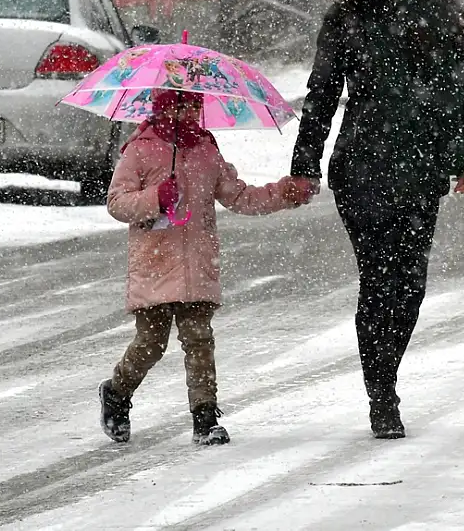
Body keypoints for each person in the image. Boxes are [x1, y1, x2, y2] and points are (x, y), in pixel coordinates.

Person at [289, 0, 464, 439]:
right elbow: (322, 93)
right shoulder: (347, 17)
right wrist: (305, 162)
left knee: (411, 285)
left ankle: (386, 371)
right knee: (377, 282)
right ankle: (382, 394)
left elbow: (457, 88)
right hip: (362, 168)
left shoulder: (437, 13)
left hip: (422, 168)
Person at [99, 88, 313, 445]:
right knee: (151, 343)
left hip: (198, 262)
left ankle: (205, 417)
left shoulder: (206, 150)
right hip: (155, 264)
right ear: (162, 108)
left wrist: (283, 193)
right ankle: (117, 392)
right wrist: (155, 198)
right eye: (178, 106)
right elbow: (118, 203)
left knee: (199, 339)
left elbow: (239, 197)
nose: (187, 113)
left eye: (193, 105)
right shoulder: (140, 149)